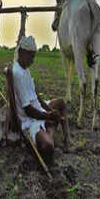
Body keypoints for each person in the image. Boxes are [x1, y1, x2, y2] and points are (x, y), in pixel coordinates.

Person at [12, 35, 71, 164]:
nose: (33, 60)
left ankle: (67, 141)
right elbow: (28, 110)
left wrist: (49, 111)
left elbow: (36, 95)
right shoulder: (17, 73)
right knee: (48, 146)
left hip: (37, 110)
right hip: (30, 120)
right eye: (31, 56)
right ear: (21, 52)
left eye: (34, 56)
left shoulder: (25, 69)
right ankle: (50, 131)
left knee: (61, 103)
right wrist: (48, 116)